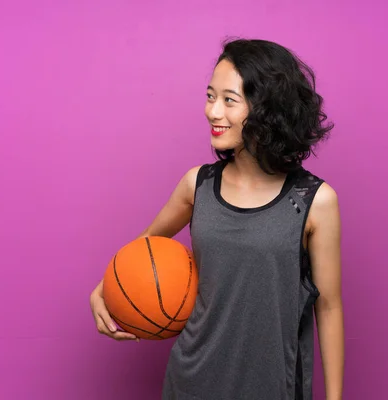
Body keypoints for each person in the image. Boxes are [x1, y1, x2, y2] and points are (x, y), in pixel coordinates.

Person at [90, 38, 344, 400]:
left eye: (229, 100)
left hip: (274, 386)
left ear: (267, 108)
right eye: (210, 96)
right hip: (192, 381)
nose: (213, 112)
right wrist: (102, 293)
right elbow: (139, 253)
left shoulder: (314, 201)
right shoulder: (198, 185)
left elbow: (329, 307)